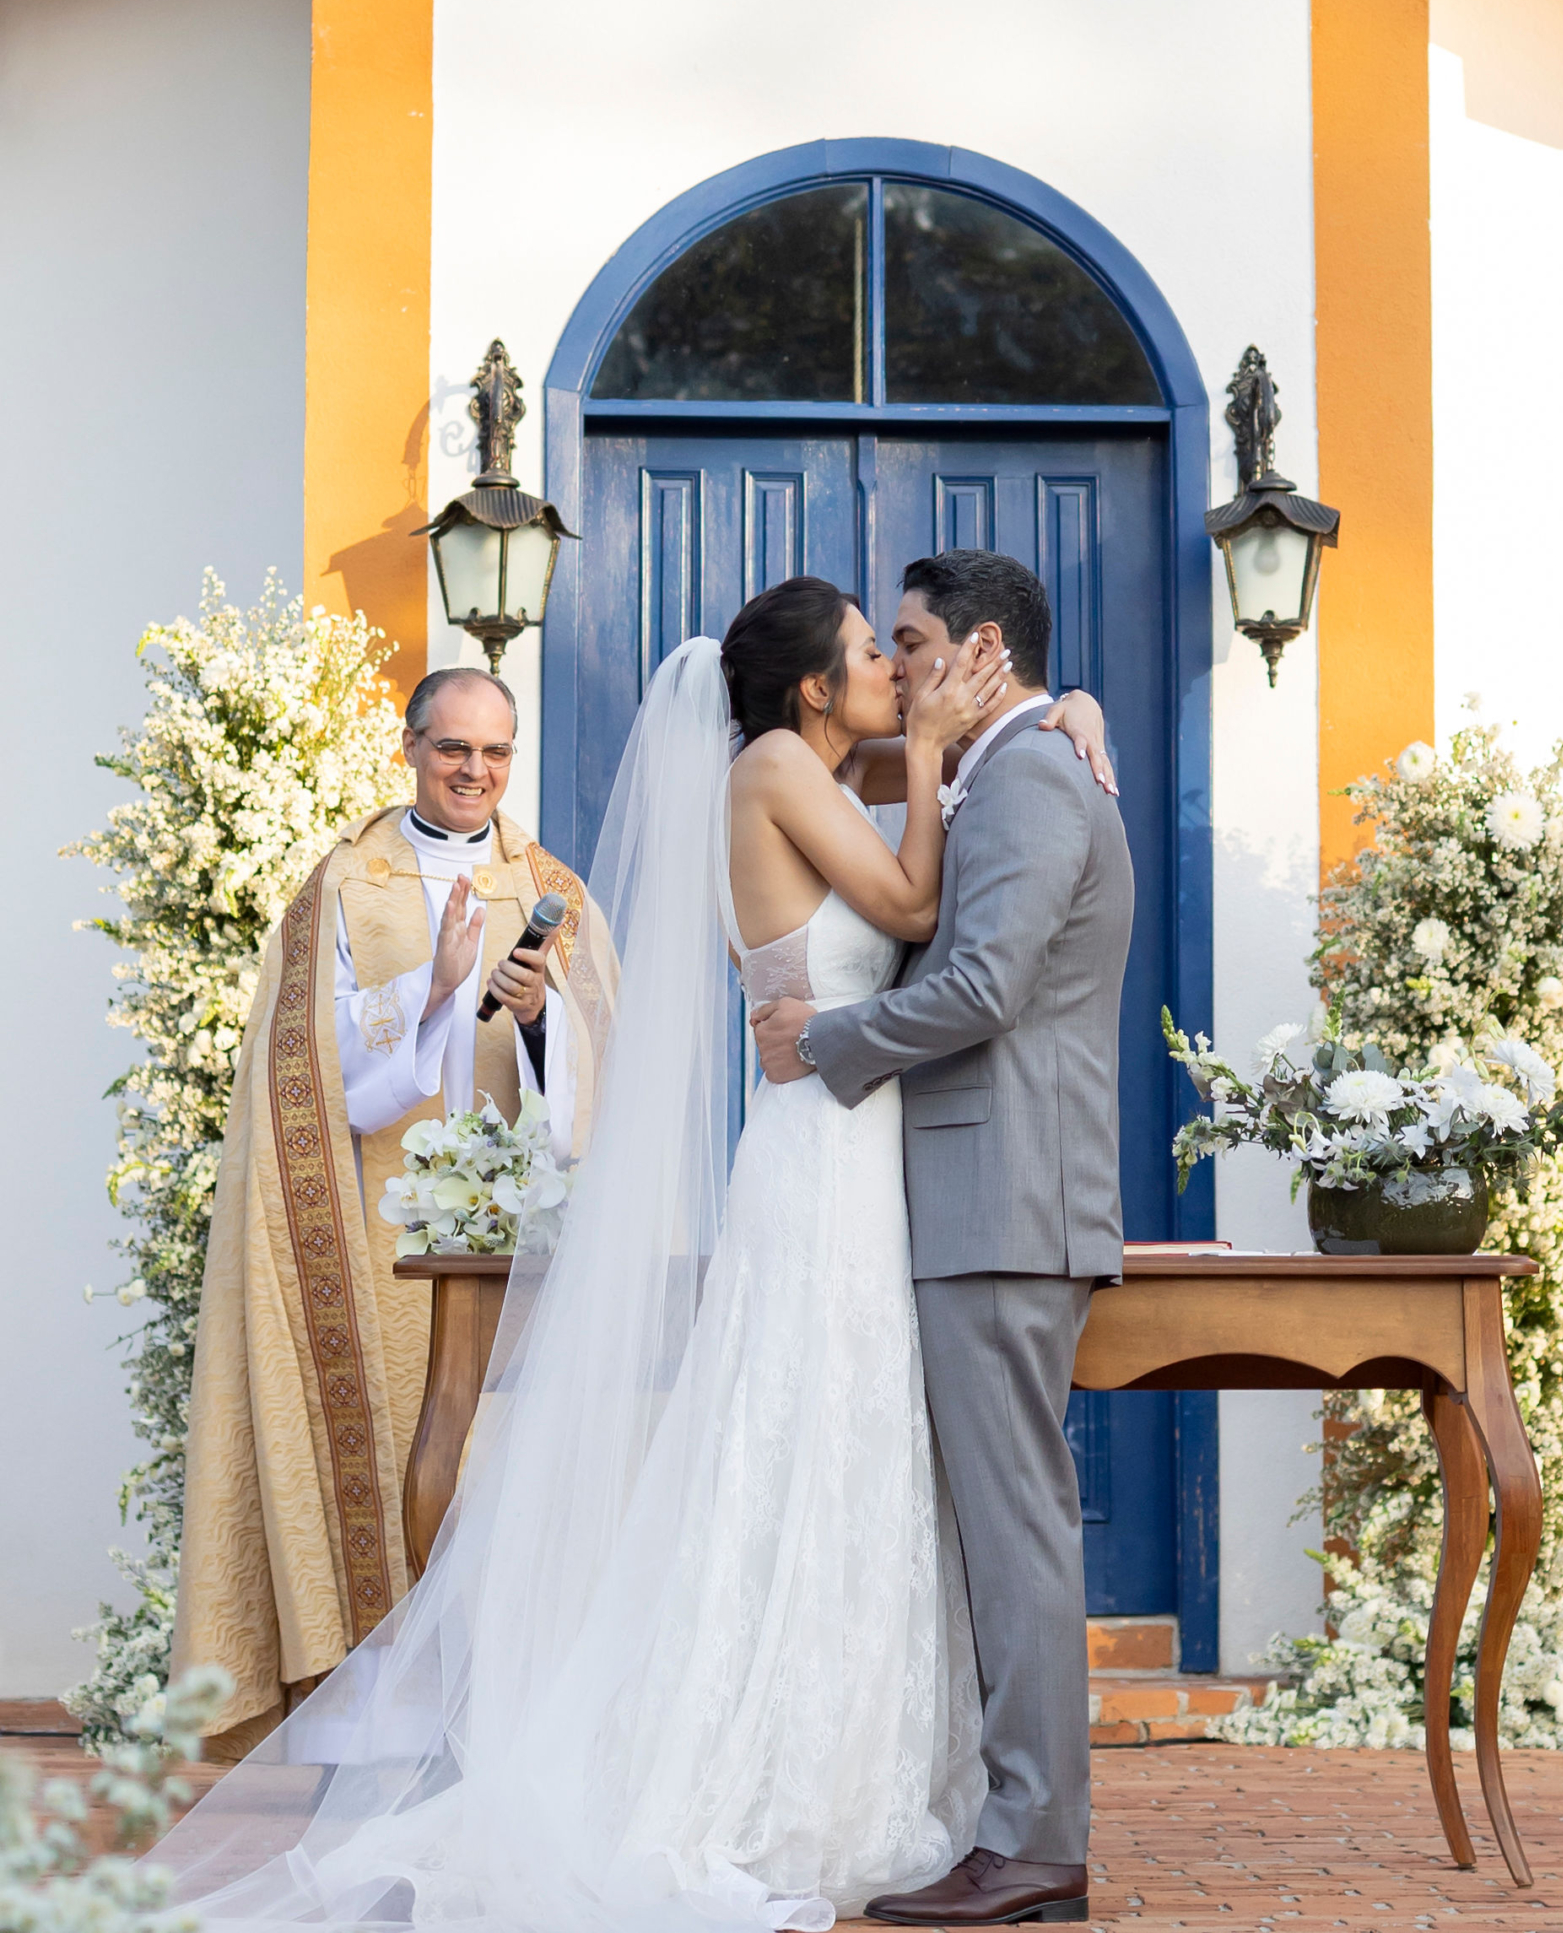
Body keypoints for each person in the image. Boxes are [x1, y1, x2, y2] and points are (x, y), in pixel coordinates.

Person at [155, 587, 1112, 1931]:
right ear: (812, 693)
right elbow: (906, 898)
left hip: (851, 1147)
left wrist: (1059, 706)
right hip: (823, 1150)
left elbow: (935, 778)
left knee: (852, 1451)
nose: (894, 679)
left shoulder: (808, 762)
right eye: (866, 657)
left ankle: (872, 1755)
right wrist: (952, 750)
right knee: (805, 1446)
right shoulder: (778, 769)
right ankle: (770, 1768)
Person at [753, 550, 1135, 1928]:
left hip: (1005, 1202)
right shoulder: (1014, 757)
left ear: (978, 647)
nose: (897, 665)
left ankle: (1034, 1842)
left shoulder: (1031, 774)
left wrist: (826, 1043)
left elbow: (978, 985)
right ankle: (1001, 1818)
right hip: (977, 1200)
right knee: (988, 1528)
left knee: (1016, 1530)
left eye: (909, 641)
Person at [173, 667, 615, 1756]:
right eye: (453, 748)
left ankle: (505, 1728)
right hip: (376, 1232)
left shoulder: (550, 885)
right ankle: (371, 1747)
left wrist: (542, 1013)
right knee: (380, 1459)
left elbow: (611, 1079)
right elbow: (304, 1071)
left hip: (520, 1231)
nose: (475, 772)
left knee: (502, 1462)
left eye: (496, 753)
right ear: (410, 747)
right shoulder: (341, 884)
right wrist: (428, 990)